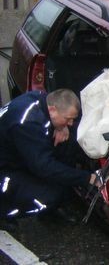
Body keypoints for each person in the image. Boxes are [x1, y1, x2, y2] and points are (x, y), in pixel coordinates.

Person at [0, 89, 101, 231]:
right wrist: (86, 178)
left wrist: (62, 126)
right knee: (49, 196)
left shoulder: (43, 99)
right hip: (5, 168)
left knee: (71, 138)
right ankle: (5, 212)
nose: (71, 123)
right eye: (68, 119)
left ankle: (54, 208)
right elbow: (43, 167)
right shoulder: (27, 124)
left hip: (18, 152)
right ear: (52, 110)